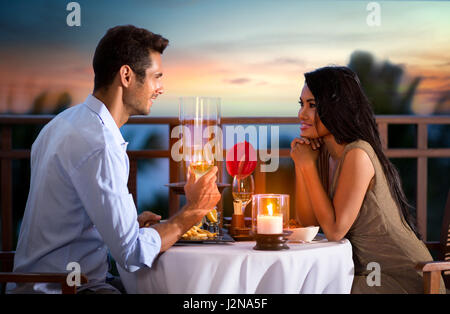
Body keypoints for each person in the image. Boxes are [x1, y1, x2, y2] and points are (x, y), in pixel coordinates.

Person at [10, 25, 221, 294]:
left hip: (36, 285)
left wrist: (129, 225)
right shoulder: (100, 144)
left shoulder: (61, 124)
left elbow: (71, 217)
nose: (161, 88)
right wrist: (192, 213)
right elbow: (132, 254)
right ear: (126, 75)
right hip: (66, 289)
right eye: (156, 77)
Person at [290, 66, 445, 294]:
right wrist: (302, 166)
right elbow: (307, 225)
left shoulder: (358, 154)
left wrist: (307, 166)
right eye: (301, 104)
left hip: (403, 281)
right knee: (305, 285)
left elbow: (334, 231)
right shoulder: (323, 153)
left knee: (310, 288)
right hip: (366, 274)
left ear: (336, 108)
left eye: (312, 105)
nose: (302, 114)